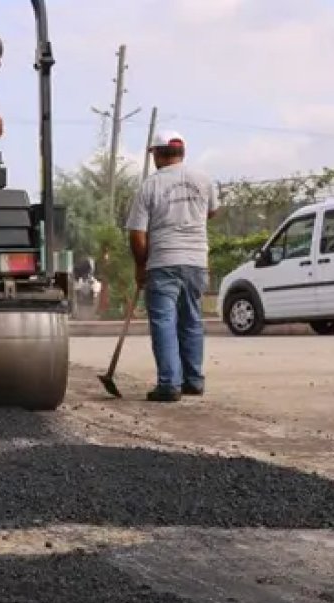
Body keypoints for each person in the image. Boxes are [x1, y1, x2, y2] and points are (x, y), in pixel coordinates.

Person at [124, 130, 219, 402]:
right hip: (196, 262)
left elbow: (137, 233)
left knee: (164, 322)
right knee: (191, 320)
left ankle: (169, 384)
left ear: (156, 154)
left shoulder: (150, 186)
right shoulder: (203, 180)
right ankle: (193, 380)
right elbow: (212, 211)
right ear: (182, 152)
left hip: (163, 261)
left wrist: (141, 266)